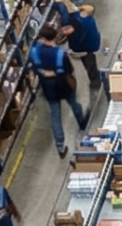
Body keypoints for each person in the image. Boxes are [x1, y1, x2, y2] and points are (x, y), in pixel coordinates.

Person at [30, 24, 88, 157]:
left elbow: (35, 69)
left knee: (55, 115)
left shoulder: (34, 52)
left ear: (43, 39)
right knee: (74, 103)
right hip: (63, 84)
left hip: (47, 86)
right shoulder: (60, 55)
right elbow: (68, 72)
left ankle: (60, 147)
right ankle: (83, 124)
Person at [57, 0, 105, 101]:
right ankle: (95, 79)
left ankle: (95, 82)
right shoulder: (86, 18)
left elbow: (68, 31)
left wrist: (60, 33)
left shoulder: (75, 21)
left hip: (83, 47)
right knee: (90, 61)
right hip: (89, 45)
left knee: (89, 63)